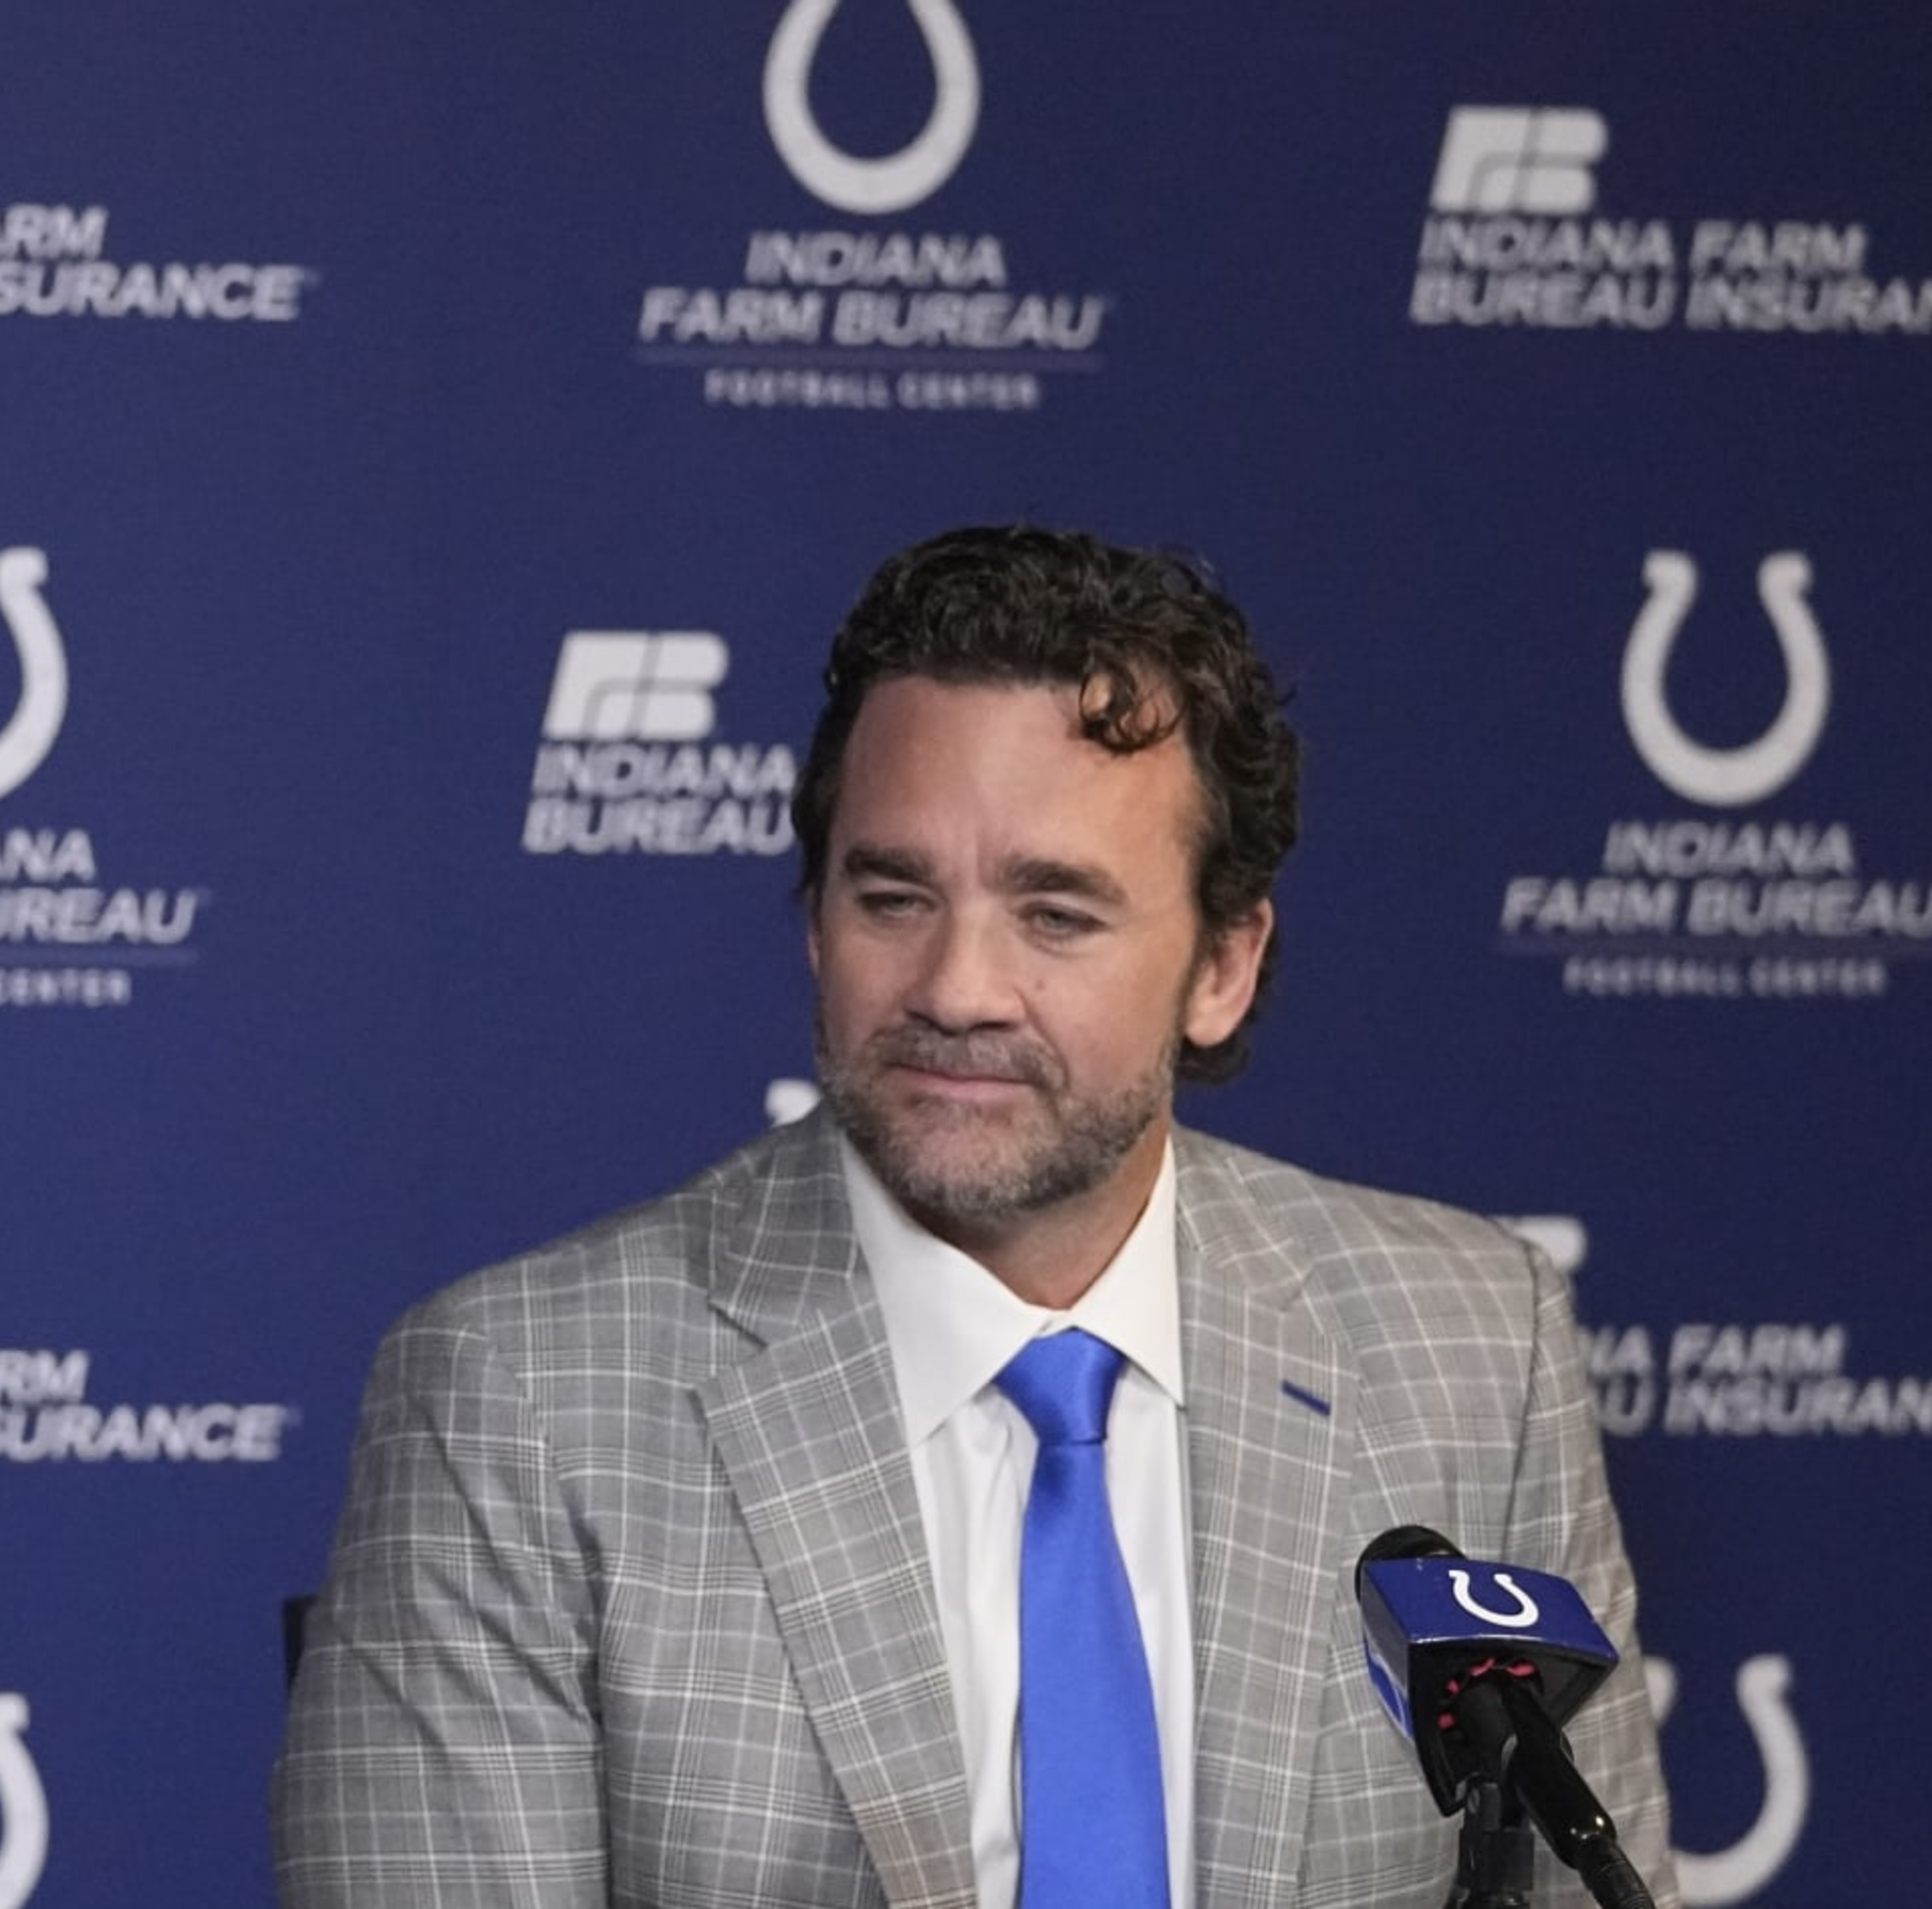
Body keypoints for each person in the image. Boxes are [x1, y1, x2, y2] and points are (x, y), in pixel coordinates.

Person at [273, 528, 1673, 1908]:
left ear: (1224, 965)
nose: (957, 987)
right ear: (816, 920)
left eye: (1056, 915)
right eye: (892, 897)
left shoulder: (1475, 1346)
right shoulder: (518, 1401)